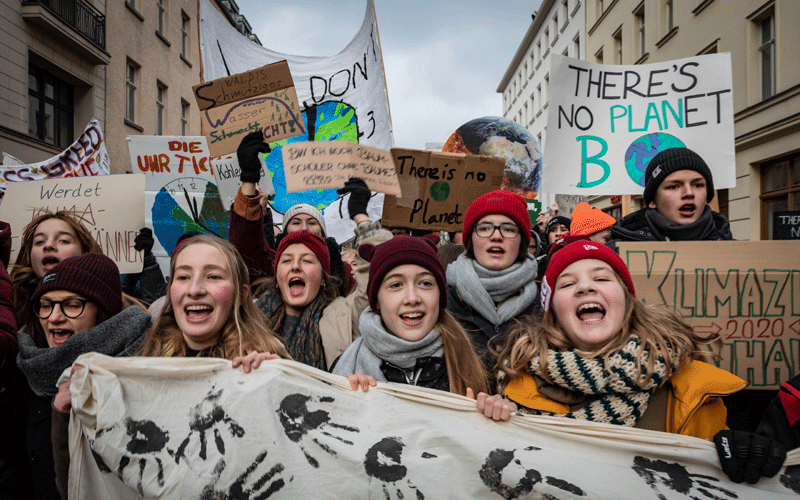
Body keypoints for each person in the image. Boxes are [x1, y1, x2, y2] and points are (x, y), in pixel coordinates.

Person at [478, 241, 787, 482]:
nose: (586, 287)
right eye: (567, 283)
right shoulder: (516, 386)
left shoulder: (690, 388)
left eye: (601, 278)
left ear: (626, 301)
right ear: (552, 312)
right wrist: (491, 424)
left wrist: (740, 452)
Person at [14, 253, 151, 499]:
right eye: (45, 305)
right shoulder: (29, 367)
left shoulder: (144, 366)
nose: (54, 317)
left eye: (72, 304)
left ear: (103, 311)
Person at [332, 235, 488, 396]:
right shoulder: (346, 367)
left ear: (440, 295)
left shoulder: (474, 363)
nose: (412, 298)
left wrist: (495, 414)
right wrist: (347, 400)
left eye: (425, 283)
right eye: (396, 285)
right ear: (376, 300)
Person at [229, 131, 359, 295]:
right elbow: (245, 244)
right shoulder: (271, 264)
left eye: (312, 223)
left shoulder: (344, 273)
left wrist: (361, 216)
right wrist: (249, 177)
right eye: (296, 222)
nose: (304, 228)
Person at [137, 235, 288, 360]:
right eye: (183, 277)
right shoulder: (147, 359)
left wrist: (278, 378)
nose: (194, 290)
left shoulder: (266, 360)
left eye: (213, 276)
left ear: (240, 295)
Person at [445, 190, 541, 372]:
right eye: (484, 228)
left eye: (509, 229)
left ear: (522, 241)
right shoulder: (442, 300)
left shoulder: (545, 302)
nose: (496, 236)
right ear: (470, 239)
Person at [10, 212, 157, 328]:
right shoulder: (13, 304)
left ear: (85, 251)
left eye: (63, 240)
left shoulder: (114, 299)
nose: (48, 245)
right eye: (39, 241)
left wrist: (147, 261)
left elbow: (157, 316)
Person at [609, 146, 733, 247]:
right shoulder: (614, 254)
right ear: (652, 200)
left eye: (698, 185)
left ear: (707, 196)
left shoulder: (738, 254)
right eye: (674, 186)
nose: (689, 193)